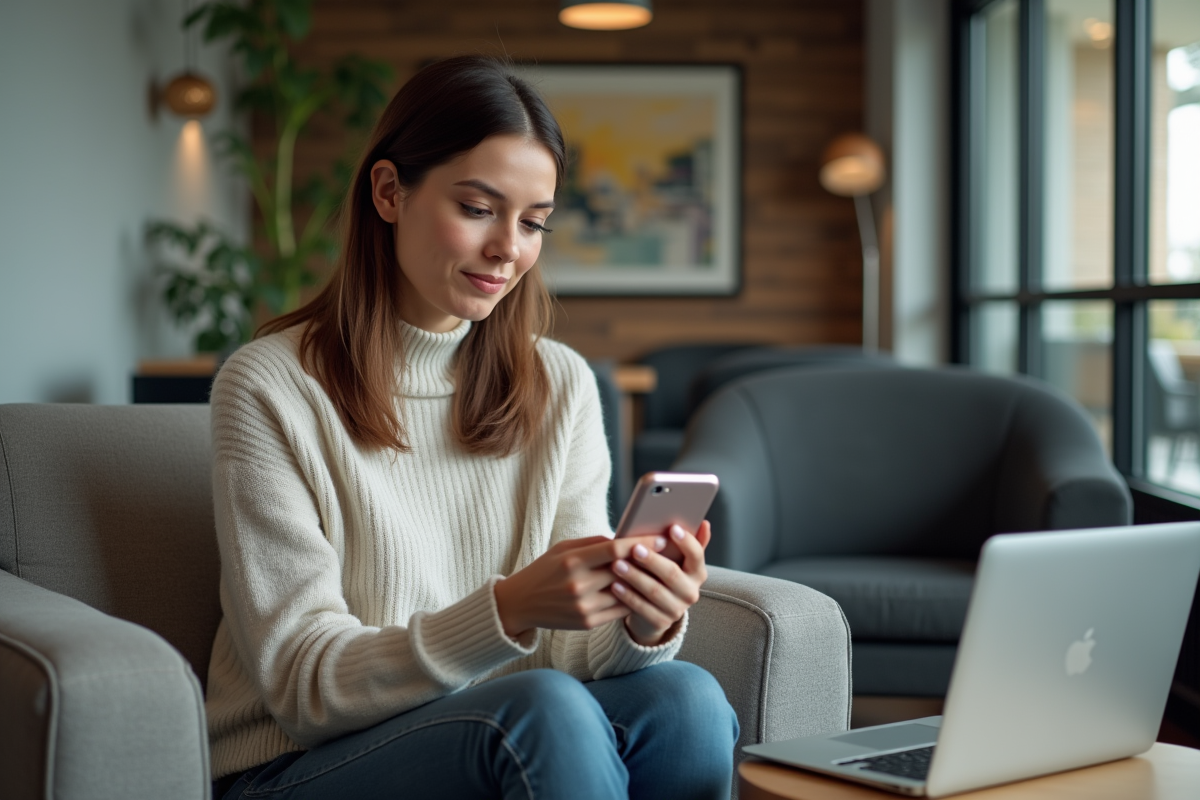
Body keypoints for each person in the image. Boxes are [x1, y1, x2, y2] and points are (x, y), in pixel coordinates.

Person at [205, 55, 738, 800]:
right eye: (479, 208)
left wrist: (639, 621)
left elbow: (571, 650)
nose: (509, 249)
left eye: (534, 222)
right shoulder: (269, 386)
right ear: (389, 192)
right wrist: (508, 609)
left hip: (501, 728)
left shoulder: (560, 383)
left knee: (686, 700)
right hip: (294, 765)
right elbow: (304, 686)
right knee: (541, 711)